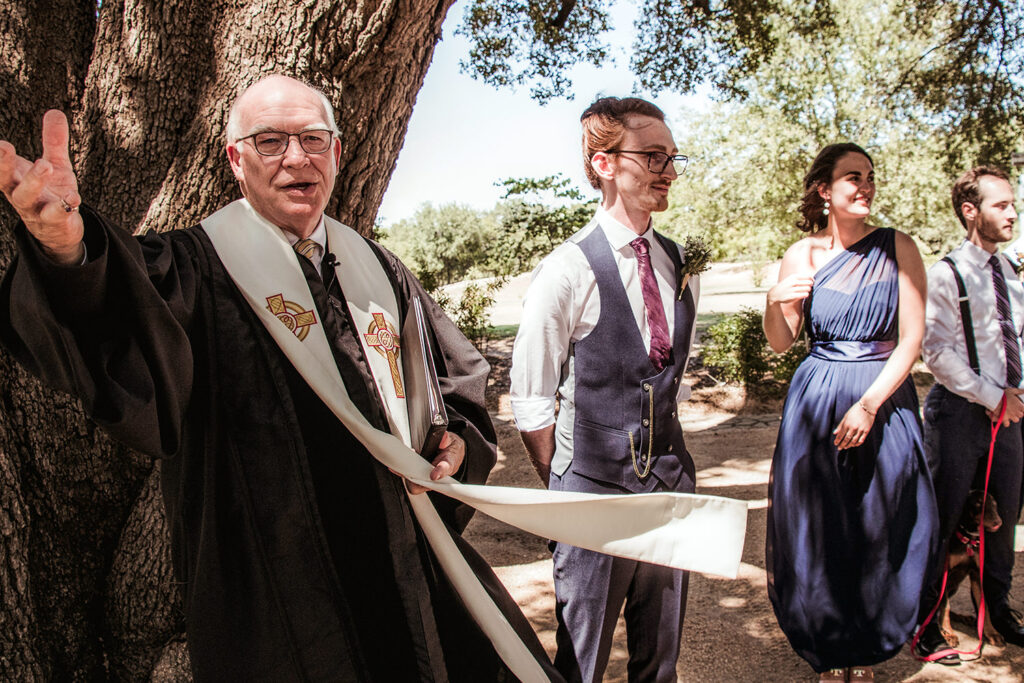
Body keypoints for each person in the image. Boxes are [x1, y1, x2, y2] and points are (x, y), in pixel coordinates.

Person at [0, 75, 559, 681]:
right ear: (236, 160)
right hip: (276, 580)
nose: (297, 158)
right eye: (269, 141)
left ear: (338, 155)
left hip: (403, 555)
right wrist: (65, 250)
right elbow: (108, 320)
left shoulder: (379, 269)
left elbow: (452, 382)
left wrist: (453, 441)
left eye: (314, 140)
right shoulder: (190, 269)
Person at [510, 96, 699, 683]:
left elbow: (667, 377)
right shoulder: (567, 269)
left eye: (672, 157)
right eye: (652, 156)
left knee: (659, 658)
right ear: (604, 163)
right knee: (581, 661)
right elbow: (532, 397)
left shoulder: (678, 261)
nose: (667, 170)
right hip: (590, 490)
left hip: (669, 484)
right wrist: (568, 490)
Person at [763, 143, 938, 681]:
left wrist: (868, 403)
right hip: (816, 398)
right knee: (818, 522)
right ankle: (828, 642)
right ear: (825, 190)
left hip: (881, 399)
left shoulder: (898, 247)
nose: (864, 186)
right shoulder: (803, 255)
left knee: (880, 517)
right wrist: (775, 300)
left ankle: (868, 637)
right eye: (851, 178)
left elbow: (912, 339)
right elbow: (780, 343)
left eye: (869, 177)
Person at [913, 165, 1024, 663]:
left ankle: (997, 607)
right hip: (959, 414)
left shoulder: (1011, 272)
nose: (1013, 212)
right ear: (970, 211)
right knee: (943, 517)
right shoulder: (946, 273)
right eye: (1002, 204)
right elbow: (935, 351)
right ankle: (925, 619)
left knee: (1004, 518)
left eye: (1013, 203)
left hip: (1011, 415)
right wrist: (990, 395)